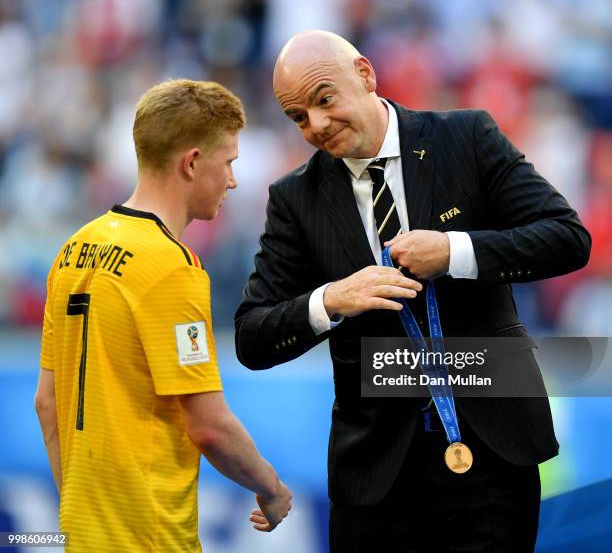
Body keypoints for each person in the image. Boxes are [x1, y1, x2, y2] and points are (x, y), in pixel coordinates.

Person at [234, 31, 591, 552]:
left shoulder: (466, 137)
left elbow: (567, 239)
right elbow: (251, 336)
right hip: (377, 474)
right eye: (297, 117)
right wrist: (329, 300)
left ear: (365, 74)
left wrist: (454, 251)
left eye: (324, 100)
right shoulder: (295, 198)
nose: (315, 125)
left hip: (494, 443)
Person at [34, 79, 292, 553]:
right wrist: (272, 489)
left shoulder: (73, 249)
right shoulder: (173, 267)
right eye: (228, 162)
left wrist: (82, 511)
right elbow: (209, 426)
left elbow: (47, 404)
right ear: (192, 163)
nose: (233, 180)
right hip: (150, 538)